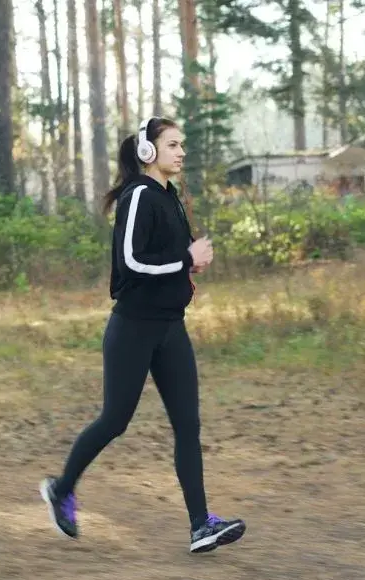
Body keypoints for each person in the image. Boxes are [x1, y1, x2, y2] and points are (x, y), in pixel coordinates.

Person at [39, 116, 246, 554]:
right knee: (115, 420)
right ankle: (61, 488)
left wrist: (190, 262)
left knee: (188, 425)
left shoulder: (170, 198)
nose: (181, 151)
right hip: (132, 328)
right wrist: (182, 258)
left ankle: (200, 525)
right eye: (172, 144)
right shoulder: (138, 196)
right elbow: (131, 262)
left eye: (182, 144)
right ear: (148, 151)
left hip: (171, 328)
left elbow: (166, 257)